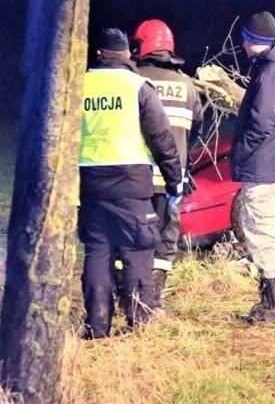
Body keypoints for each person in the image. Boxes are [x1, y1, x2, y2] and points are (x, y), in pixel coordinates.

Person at [78, 28, 183, 339]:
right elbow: (162, 138)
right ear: (126, 55)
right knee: (137, 249)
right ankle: (140, 324)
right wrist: (174, 179)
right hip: (131, 182)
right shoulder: (138, 87)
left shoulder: (78, 84)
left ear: (99, 53)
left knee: (97, 250)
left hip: (91, 182)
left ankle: (97, 326)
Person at [231, 11, 275, 323]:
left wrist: (243, 153)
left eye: (246, 38)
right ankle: (273, 302)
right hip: (274, 163)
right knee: (263, 229)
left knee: (261, 232)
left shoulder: (271, 73)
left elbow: (261, 123)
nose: (243, 44)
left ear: (254, 40)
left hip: (263, 164)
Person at [131, 18, 203, 308]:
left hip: (136, 179)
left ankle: (129, 298)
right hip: (172, 182)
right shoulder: (187, 85)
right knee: (165, 244)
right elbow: (195, 129)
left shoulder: (133, 80)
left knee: (133, 241)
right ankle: (152, 302)